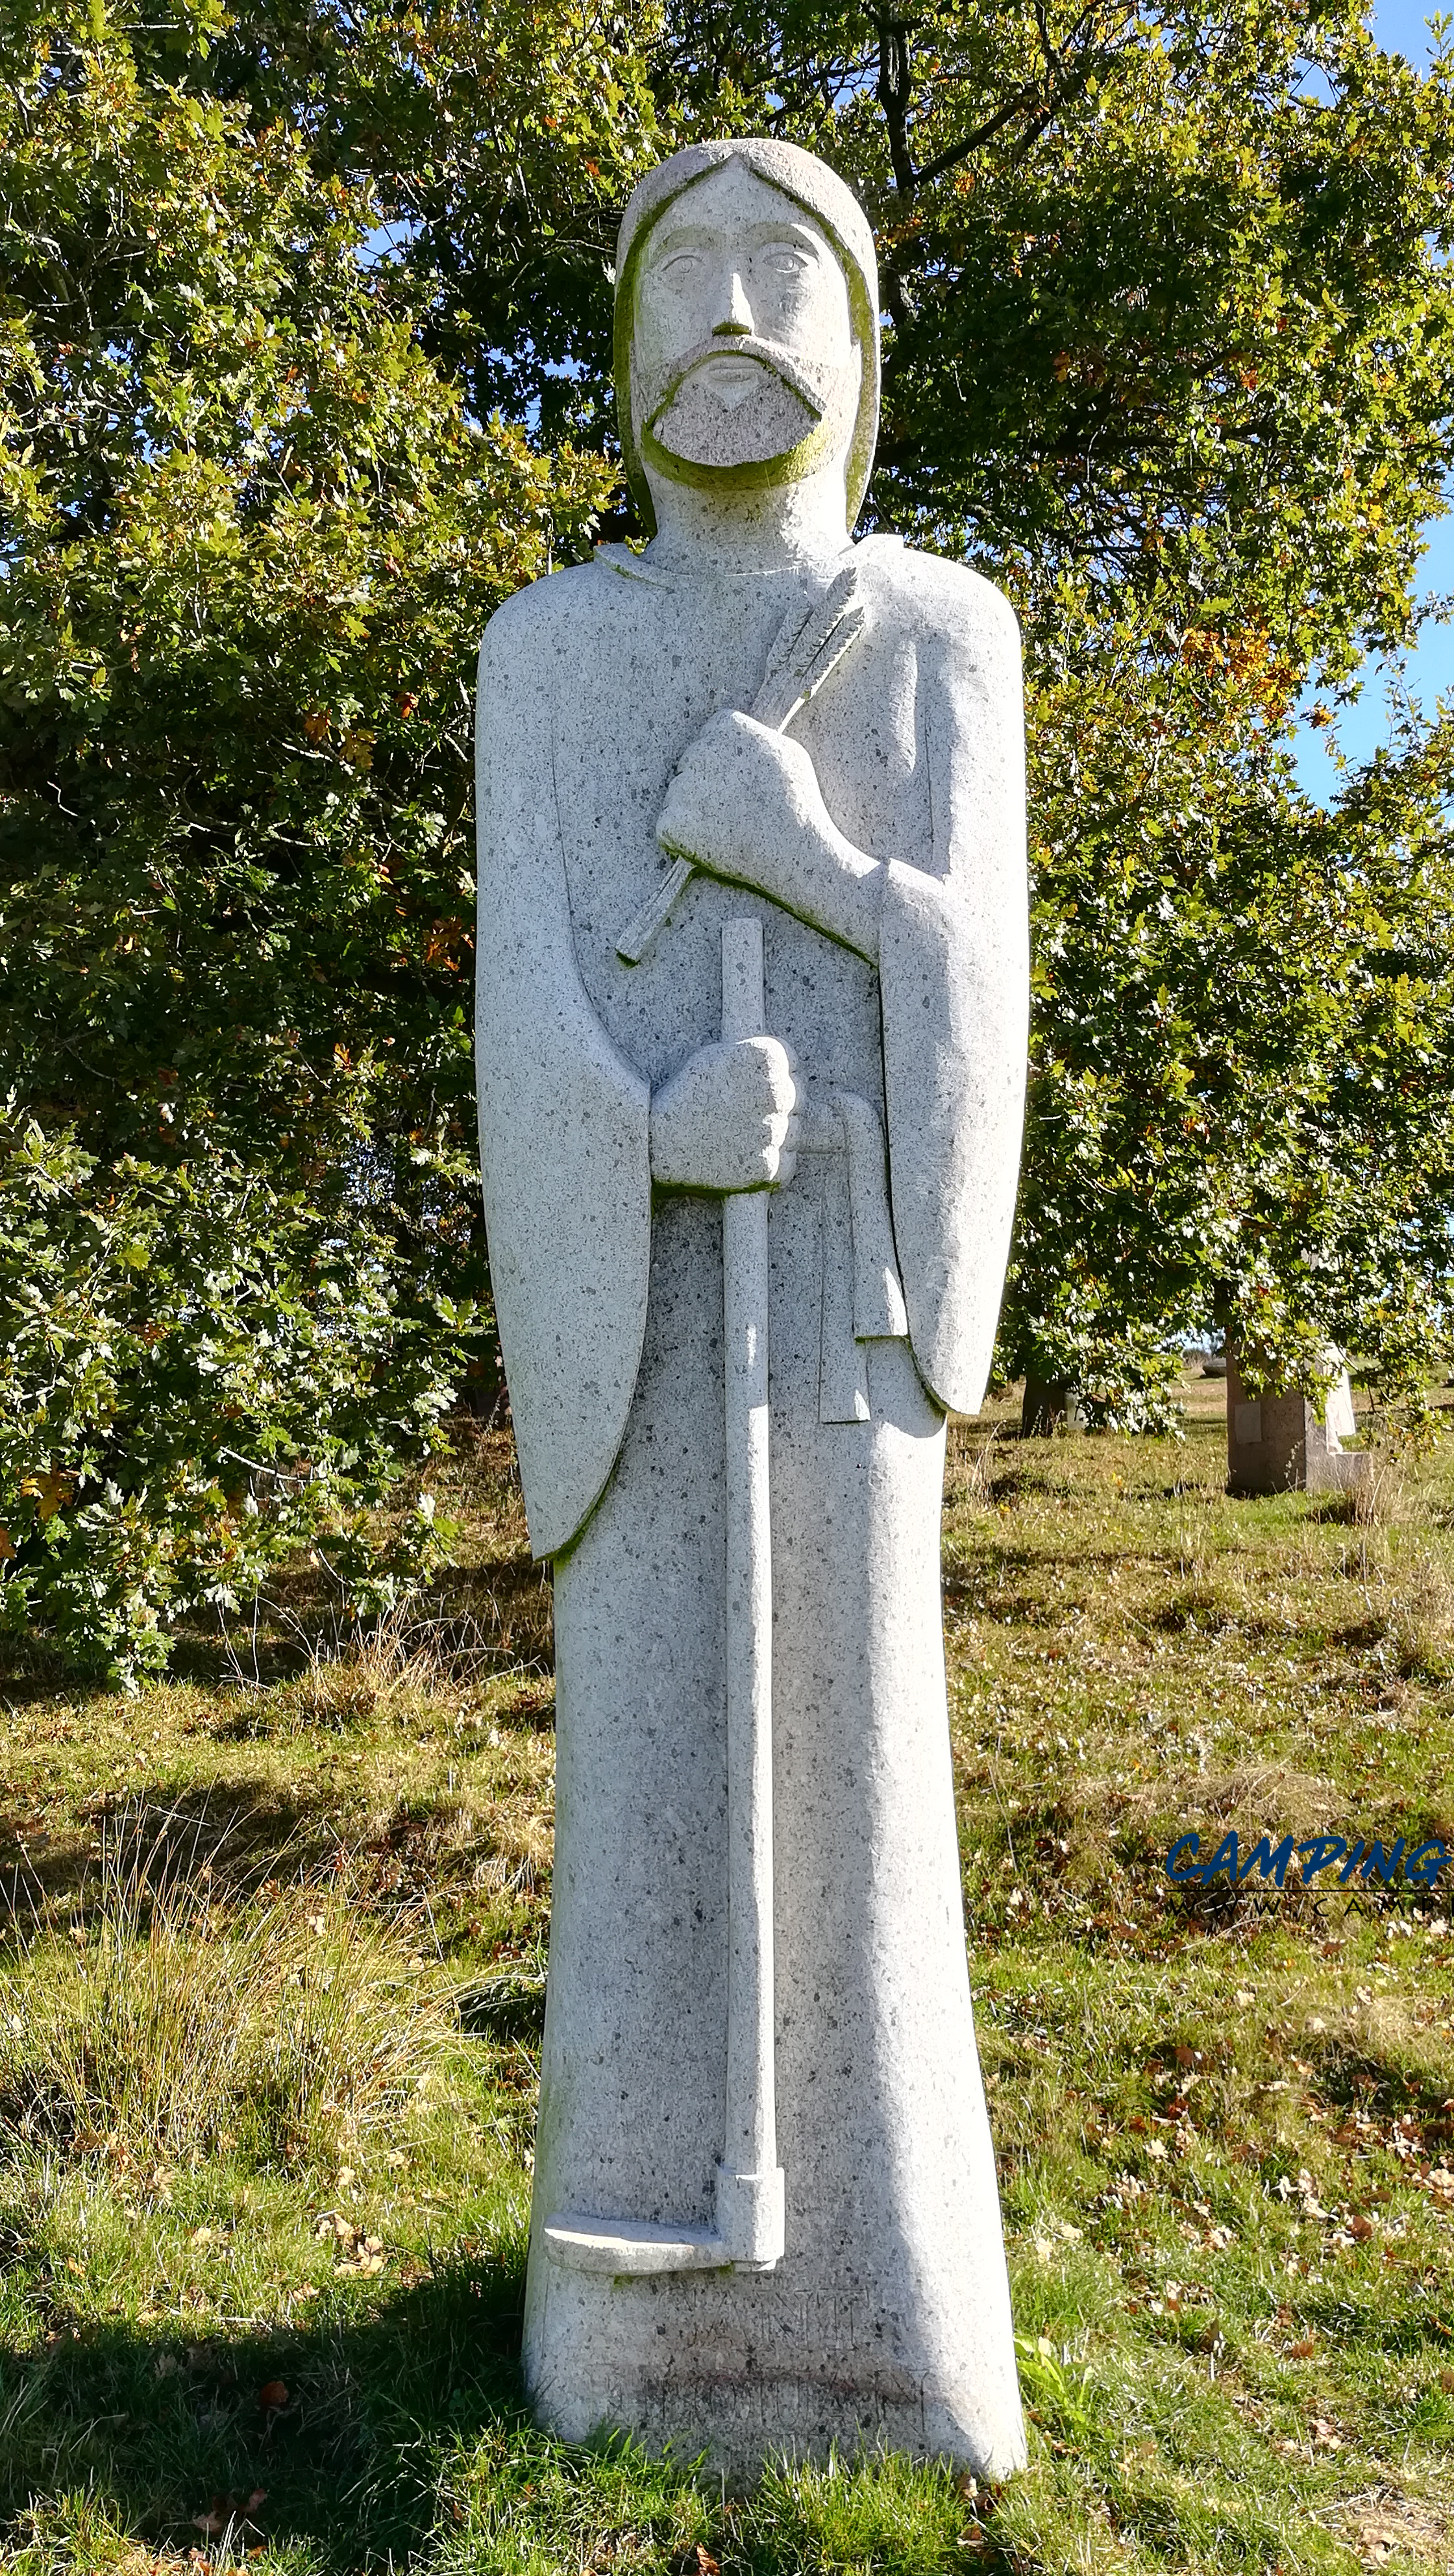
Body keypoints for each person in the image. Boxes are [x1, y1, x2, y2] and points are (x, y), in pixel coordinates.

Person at [476, 136, 1028, 2474]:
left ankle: (882, 2311)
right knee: (656, 1767)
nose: (728, 314)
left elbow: (979, 979)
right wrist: (646, 1131)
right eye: (680, 271)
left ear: (858, 342)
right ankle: (627, 2319)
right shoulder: (556, 651)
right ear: (623, 350)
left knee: (854, 1779)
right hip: (658, 1320)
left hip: (848, 1331)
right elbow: (524, 996)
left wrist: (812, 868)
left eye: (778, 270)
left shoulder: (937, 633)